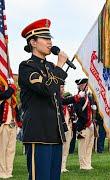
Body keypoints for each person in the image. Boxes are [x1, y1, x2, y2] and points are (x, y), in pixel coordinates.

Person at [18, 18, 69, 180]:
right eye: (46, 39)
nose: (50, 42)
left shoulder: (50, 68)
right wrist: (60, 66)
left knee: (54, 177)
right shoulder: (27, 66)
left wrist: (57, 69)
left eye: (50, 38)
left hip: (55, 131)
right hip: (38, 132)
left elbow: (56, 97)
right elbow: (46, 89)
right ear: (33, 42)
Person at [60, 84, 84, 172]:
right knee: (60, 147)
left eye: (63, 87)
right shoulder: (56, 99)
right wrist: (77, 96)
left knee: (66, 147)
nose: (63, 89)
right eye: (61, 87)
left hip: (68, 127)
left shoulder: (65, 103)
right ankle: (58, 166)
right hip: (60, 128)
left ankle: (63, 166)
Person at [0, 79, 22, 179]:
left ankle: (9, 171)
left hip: (13, 125)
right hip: (3, 125)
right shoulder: (4, 92)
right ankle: (2, 172)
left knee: (11, 150)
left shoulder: (10, 94)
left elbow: (15, 108)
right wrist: (11, 88)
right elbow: (3, 96)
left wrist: (19, 121)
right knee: (2, 150)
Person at [74, 78, 95, 170]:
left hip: (90, 124)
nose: (87, 87)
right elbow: (78, 111)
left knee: (89, 145)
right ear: (81, 86)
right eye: (85, 85)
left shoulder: (89, 97)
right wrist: (87, 121)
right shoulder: (78, 97)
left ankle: (88, 163)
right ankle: (83, 165)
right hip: (83, 124)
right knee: (83, 147)